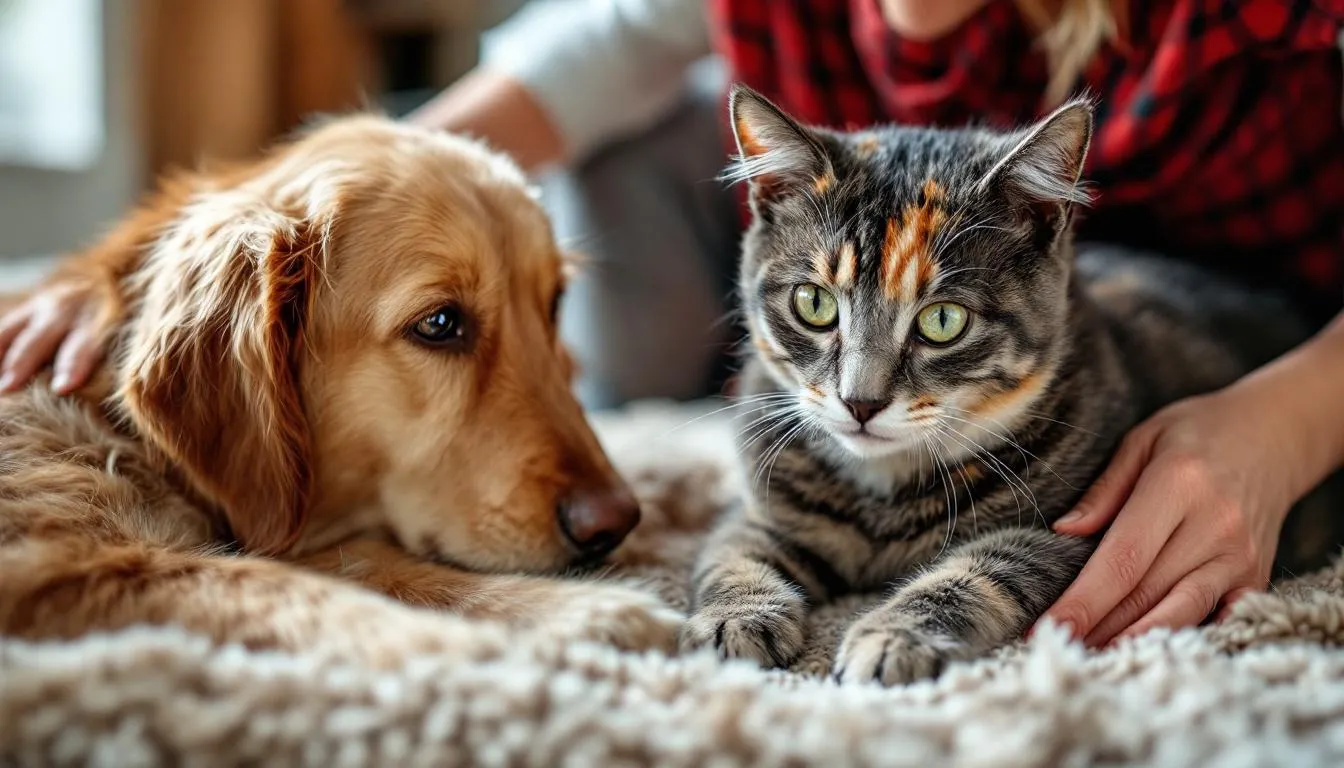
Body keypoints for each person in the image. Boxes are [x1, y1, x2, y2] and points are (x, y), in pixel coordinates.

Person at [2, 0, 1340, 650]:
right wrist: (140, 265)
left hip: (1237, 295)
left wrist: (1287, 422)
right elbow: (420, 160)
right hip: (840, 231)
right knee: (625, 312)